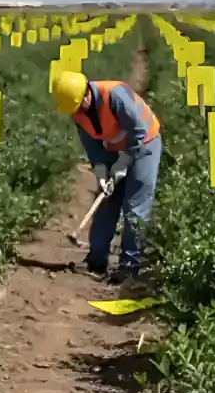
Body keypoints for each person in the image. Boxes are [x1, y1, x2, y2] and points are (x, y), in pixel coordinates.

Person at [52, 70, 162, 284]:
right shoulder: (78, 112)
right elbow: (93, 147)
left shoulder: (115, 95)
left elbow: (138, 132)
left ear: (86, 94)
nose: (76, 112)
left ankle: (129, 267)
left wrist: (123, 163)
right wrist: (102, 172)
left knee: (134, 206)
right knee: (107, 200)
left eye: (78, 106)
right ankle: (97, 261)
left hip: (145, 144)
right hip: (114, 148)